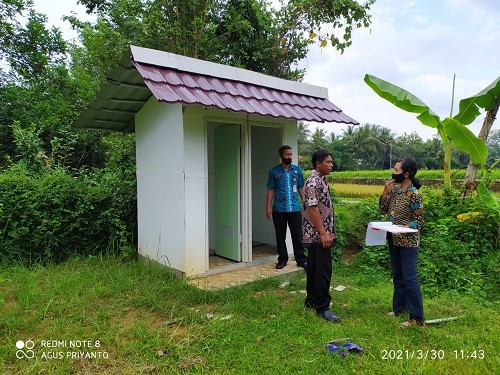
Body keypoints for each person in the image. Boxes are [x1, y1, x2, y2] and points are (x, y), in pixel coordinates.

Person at [379, 158, 425, 327]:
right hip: (393, 238)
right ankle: (398, 308)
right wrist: (384, 192)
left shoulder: (414, 194)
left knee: (409, 277)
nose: (393, 172)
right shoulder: (395, 190)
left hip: (408, 241)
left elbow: (419, 222)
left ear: (406, 174)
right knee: (397, 275)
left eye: (397, 170)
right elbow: (383, 209)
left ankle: (417, 317)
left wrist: (404, 226)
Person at [302, 149, 340, 322]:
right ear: (318, 163)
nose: (331, 165)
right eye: (328, 162)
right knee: (323, 269)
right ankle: (323, 307)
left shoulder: (321, 180)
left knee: (314, 267)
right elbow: (312, 207)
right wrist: (323, 233)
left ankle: (311, 301)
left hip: (318, 233)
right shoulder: (313, 182)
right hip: (318, 235)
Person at [266, 145, 308, 270]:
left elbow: (301, 187)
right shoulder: (274, 172)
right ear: (281, 156)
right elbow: (271, 189)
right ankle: (282, 259)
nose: (289, 157)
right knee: (280, 235)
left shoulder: (297, 171)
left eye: (291, 155)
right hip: (279, 209)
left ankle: (301, 259)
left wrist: (305, 204)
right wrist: (268, 207)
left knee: (297, 235)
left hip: (294, 208)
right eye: (287, 155)